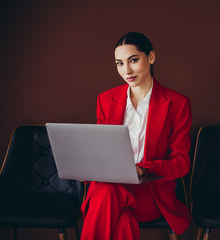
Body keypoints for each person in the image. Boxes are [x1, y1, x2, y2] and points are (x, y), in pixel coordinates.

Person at [80, 32, 192, 240]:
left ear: (150, 58)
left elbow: (181, 162)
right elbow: (101, 150)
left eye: (133, 60)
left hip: (148, 192)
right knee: (119, 213)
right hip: (108, 188)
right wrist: (87, 167)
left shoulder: (177, 103)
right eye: (119, 63)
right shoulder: (106, 100)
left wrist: (143, 169)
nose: (126, 70)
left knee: (109, 198)